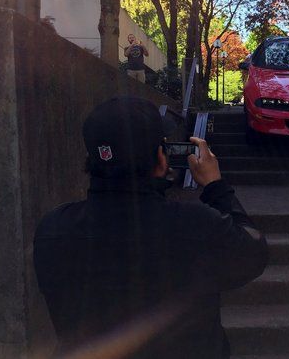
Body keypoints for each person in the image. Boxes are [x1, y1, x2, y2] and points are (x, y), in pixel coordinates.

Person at [34, 96, 267, 358]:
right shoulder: (196, 225)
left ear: (92, 159)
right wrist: (216, 187)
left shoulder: (52, 229)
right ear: (160, 157)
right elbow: (252, 254)